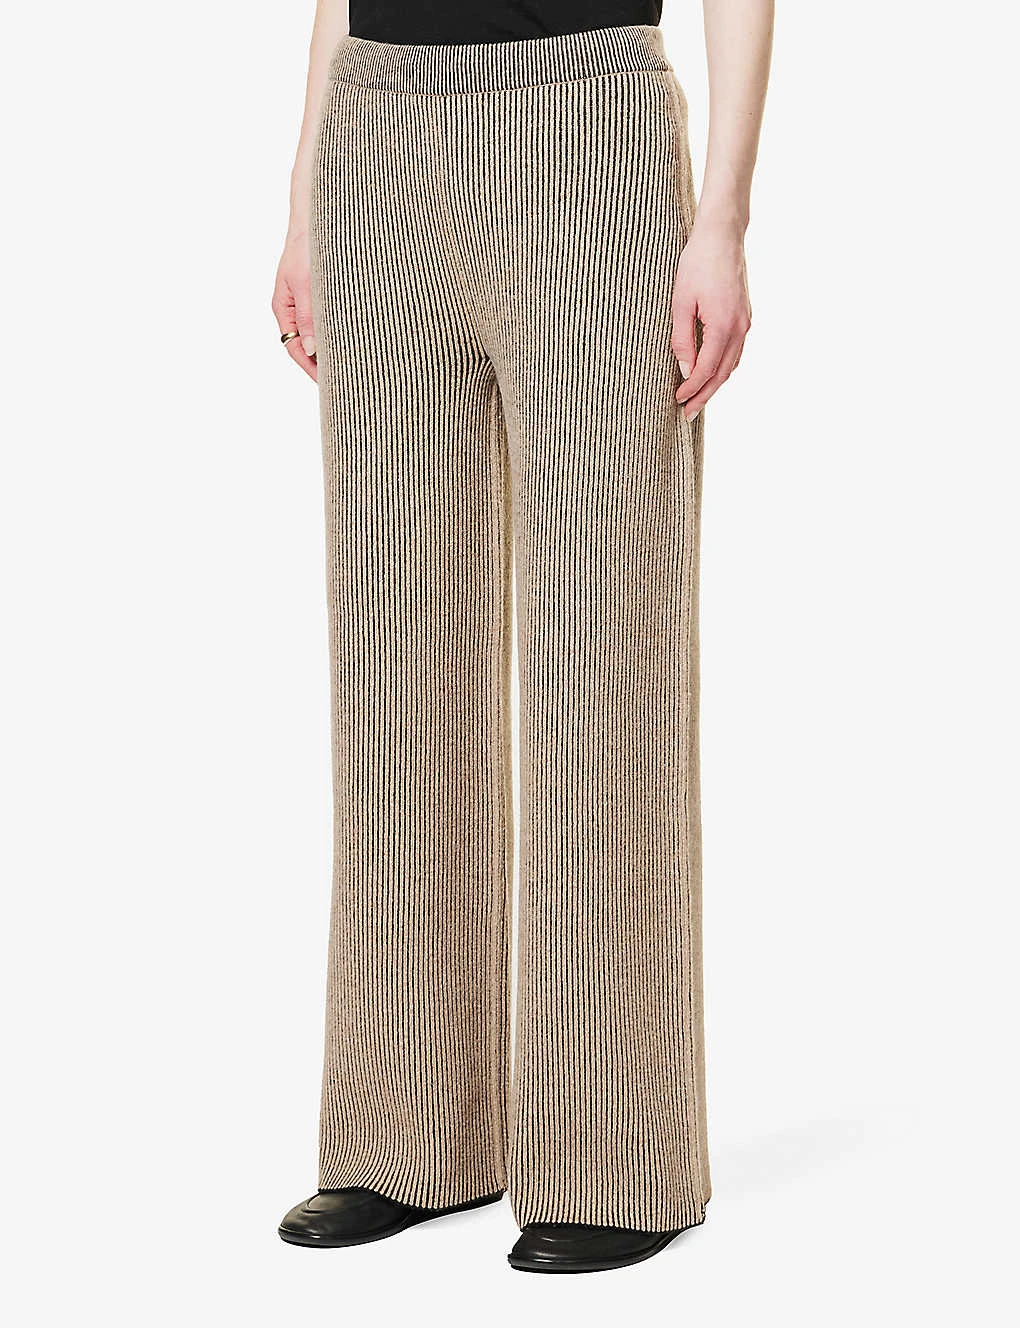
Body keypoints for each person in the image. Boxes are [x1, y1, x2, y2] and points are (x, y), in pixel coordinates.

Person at [272, 0, 772, 1275]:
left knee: (606, 649)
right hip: (379, 133)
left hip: (589, 126)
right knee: (392, 655)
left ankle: (615, 1150)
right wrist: (304, 204)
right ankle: (407, 1132)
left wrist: (721, 217)